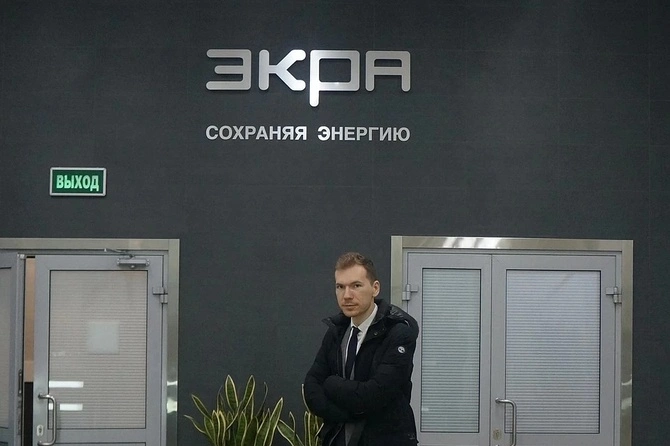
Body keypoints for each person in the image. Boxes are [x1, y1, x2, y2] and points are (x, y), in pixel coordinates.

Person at [304, 252, 419, 446]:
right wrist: (345, 415)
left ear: (375, 288)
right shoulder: (337, 331)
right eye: (340, 287)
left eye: (356, 286)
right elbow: (311, 386)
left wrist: (331, 383)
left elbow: (373, 396)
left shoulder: (398, 333)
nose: (347, 295)